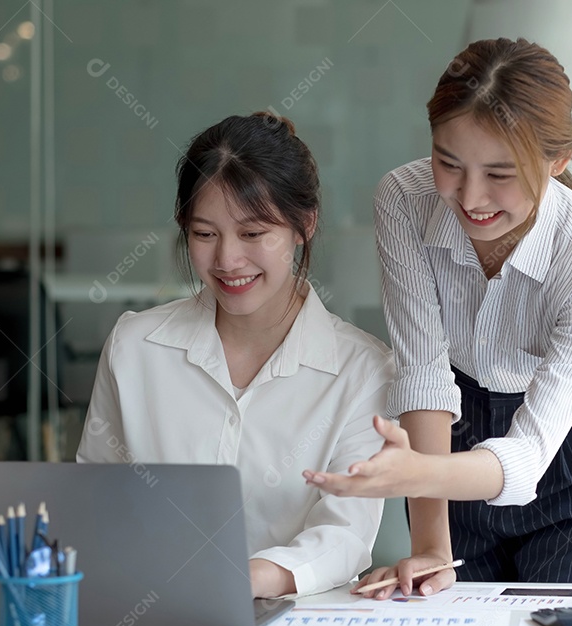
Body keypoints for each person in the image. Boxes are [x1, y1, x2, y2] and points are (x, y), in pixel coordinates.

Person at [303, 38, 572, 598]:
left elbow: (530, 456)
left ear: (557, 164)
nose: (470, 197)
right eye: (448, 163)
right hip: (451, 427)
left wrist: (416, 473)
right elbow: (424, 371)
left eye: (501, 174)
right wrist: (431, 543)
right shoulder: (403, 200)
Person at [78, 112, 393, 599]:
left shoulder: (362, 369)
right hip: (150, 621)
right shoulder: (135, 347)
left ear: (302, 225)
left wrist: (239, 579)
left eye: (252, 234)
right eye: (205, 234)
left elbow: (345, 535)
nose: (227, 260)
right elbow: (96, 500)